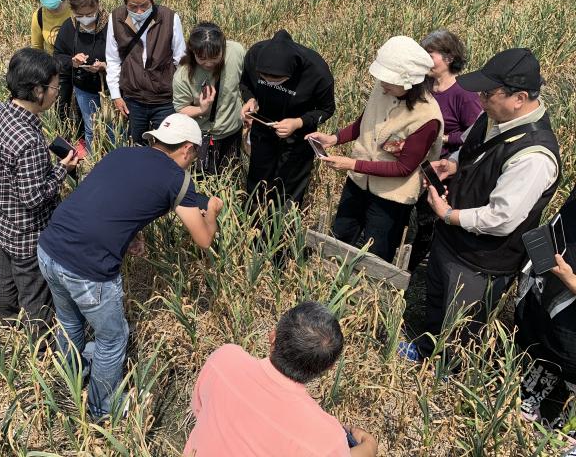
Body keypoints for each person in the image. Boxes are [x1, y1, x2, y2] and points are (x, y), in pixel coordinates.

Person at [37, 114, 222, 419]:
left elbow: (113, 200)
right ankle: (101, 409)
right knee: (113, 338)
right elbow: (203, 239)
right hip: (88, 269)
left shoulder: (123, 153)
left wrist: (130, 237)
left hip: (50, 248)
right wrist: (212, 211)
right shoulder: (177, 179)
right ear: (187, 149)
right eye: (195, 155)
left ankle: (72, 379)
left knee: (70, 323)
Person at [406, 48, 561, 361]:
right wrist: (450, 164)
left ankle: (445, 375)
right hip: (452, 235)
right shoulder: (492, 115)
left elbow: (501, 217)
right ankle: (424, 349)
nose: (480, 98)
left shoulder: (534, 157)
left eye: (488, 93)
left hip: (482, 259)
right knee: (437, 298)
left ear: (518, 98)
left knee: (459, 325)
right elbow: (471, 150)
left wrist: (449, 214)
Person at [184, 301, 378, 457]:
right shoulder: (326, 437)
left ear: (272, 337)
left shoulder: (225, 359)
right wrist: (370, 447)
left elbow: (200, 410)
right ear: (329, 368)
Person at [310, 36, 443, 261]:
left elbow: (404, 168)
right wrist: (333, 139)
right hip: (358, 182)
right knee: (341, 235)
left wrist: (352, 164)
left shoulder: (427, 117)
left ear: (409, 82)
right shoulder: (383, 90)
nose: (382, 84)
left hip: (391, 196)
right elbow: (365, 123)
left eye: (389, 81)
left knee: (377, 252)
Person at [0, 48, 78, 334]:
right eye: (55, 88)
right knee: (35, 290)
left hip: (2, 216)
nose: (57, 93)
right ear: (38, 90)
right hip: (27, 230)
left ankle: (7, 318)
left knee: (5, 269)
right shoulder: (29, 141)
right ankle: (41, 341)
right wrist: (63, 169)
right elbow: (33, 198)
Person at [408, 30, 482, 270]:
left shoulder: (464, 94)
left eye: (429, 54)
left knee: (426, 220)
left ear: (448, 59)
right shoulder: (423, 86)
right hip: (413, 162)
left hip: (439, 168)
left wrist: (441, 136)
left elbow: (474, 135)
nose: (424, 58)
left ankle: (412, 266)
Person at [239, 29, 335, 207]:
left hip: (298, 137)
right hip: (263, 128)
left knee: (288, 189)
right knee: (257, 182)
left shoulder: (317, 71)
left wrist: (298, 122)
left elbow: (327, 109)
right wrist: (250, 99)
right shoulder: (254, 55)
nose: (269, 82)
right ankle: (253, 226)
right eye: (264, 78)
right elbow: (245, 83)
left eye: (276, 79)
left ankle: (283, 229)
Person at [515, 185, 576, 440]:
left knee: (568, 361)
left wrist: (571, 280)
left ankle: (566, 429)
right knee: (547, 351)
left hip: (569, 301)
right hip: (553, 286)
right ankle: (529, 402)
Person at [105, 0, 187, 145]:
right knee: (135, 146)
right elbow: (113, 60)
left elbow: (181, 60)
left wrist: (182, 96)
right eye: (133, 6)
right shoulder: (116, 18)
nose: (139, 11)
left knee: (167, 146)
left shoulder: (170, 18)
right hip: (132, 99)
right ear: (124, 2)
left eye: (144, 5)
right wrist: (116, 96)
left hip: (164, 99)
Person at [173, 22, 245, 175]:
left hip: (233, 132)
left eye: (214, 57)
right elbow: (180, 109)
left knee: (231, 176)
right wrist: (201, 109)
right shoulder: (183, 75)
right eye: (202, 58)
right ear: (192, 52)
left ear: (223, 47)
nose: (208, 63)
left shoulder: (236, 52)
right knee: (203, 180)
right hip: (202, 137)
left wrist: (251, 102)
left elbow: (247, 80)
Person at [54, 0, 110, 152]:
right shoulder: (68, 27)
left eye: (90, 14)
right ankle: (94, 159)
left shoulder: (112, 25)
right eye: (80, 15)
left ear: (98, 6)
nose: (86, 18)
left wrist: (105, 66)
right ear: (72, 11)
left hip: (110, 88)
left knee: (114, 128)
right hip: (83, 88)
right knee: (91, 129)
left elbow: (126, 57)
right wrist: (72, 61)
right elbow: (57, 57)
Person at [28, 0, 75, 123]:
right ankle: (66, 138)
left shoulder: (74, 10)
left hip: (79, 65)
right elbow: (37, 48)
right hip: (56, 70)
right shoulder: (38, 16)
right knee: (61, 109)